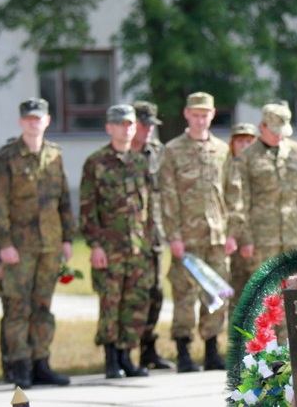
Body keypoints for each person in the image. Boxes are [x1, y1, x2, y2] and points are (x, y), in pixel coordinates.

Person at [0, 97, 74, 389]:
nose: (33, 122)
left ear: (47, 120)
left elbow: (64, 199)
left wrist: (67, 238)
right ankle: (19, 365)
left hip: (50, 245)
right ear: (21, 122)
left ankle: (41, 362)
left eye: (38, 118)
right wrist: (4, 244)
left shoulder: (55, 154)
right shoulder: (6, 157)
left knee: (43, 306)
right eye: (28, 118)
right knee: (17, 307)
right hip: (18, 246)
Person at [80, 104, 153, 379]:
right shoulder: (96, 163)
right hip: (110, 248)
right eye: (120, 123)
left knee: (134, 304)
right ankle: (111, 359)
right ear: (109, 127)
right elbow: (88, 208)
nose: (126, 128)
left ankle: (127, 357)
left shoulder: (139, 162)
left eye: (130, 124)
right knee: (110, 304)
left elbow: (147, 208)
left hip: (138, 248)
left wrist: (148, 241)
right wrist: (95, 245)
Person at [160, 91, 232, 372]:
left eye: (205, 115)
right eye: (195, 115)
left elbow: (231, 193)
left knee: (216, 292)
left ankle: (212, 350)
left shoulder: (222, 150)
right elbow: (168, 196)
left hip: (216, 236)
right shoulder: (173, 150)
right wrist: (174, 235)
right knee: (185, 294)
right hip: (186, 238)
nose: (200, 120)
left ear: (212, 115)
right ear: (187, 115)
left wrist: (232, 232)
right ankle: (184, 352)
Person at [226, 102, 297, 322]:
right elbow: (240, 201)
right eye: (274, 131)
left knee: (291, 294)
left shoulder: (296, 152)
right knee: (264, 298)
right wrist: (246, 238)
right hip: (262, 240)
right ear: (262, 126)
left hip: (291, 236)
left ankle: (288, 348)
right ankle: (264, 351)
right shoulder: (246, 157)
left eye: (282, 132)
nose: (279, 136)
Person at [130, 101, 175, 370]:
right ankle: (123, 352)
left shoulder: (158, 153)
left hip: (154, 234)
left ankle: (148, 350)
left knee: (155, 293)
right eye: (142, 124)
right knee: (129, 296)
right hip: (128, 237)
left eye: (151, 126)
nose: (147, 130)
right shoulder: (120, 153)